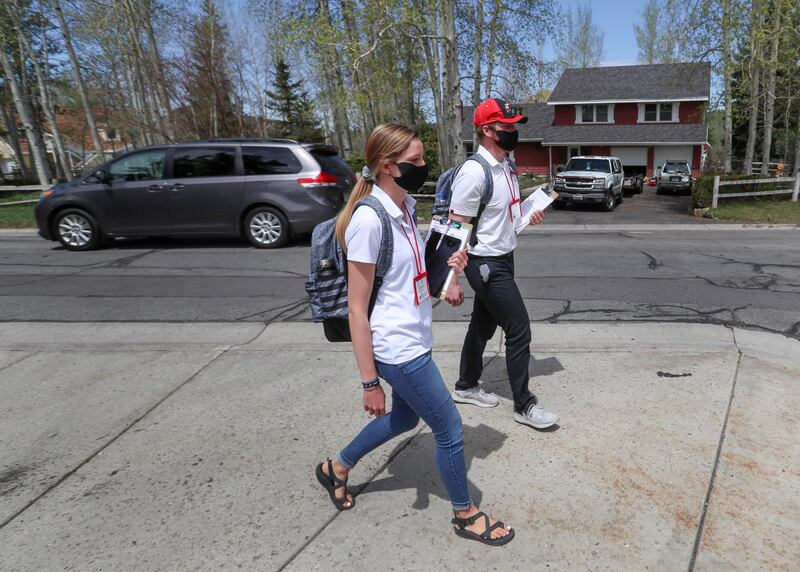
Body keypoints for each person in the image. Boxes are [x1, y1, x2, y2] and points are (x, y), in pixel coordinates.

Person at [316, 123, 514, 546]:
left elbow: (412, 271)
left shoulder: (403, 205)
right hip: (396, 347)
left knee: (405, 418)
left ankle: (338, 465)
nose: (426, 167)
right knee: (450, 428)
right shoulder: (368, 220)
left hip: (414, 336)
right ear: (388, 167)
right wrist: (370, 381)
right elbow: (356, 307)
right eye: (416, 161)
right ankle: (465, 514)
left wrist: (450, 275)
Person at [446, 98, 559, 430]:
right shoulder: (473, 172)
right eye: (505, 127)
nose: (512, 131)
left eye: (514, 126)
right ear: (486, 130)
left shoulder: (506, 166)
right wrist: (451, 279)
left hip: (504, 257)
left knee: (482, 325)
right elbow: (456, 228)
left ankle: (466, 385)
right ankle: (524, 405)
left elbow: (504, 217)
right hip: (484, 263)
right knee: (519, 328)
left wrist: (527, 215)